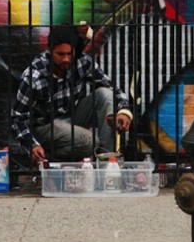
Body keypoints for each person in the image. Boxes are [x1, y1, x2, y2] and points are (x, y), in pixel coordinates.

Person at [10, 25, 133, 163]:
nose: (66, 59)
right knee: (89, 142)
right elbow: (18, 118)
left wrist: (124, 111)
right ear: (50, 51)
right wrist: (32, 144)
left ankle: (107, 161)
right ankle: (47, 157)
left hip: (72, 118)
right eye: (60, 54)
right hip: (44, 128)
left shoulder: (82, 62)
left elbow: (111, 88)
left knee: (105, 94)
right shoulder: (34, 76)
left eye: (69, 54)